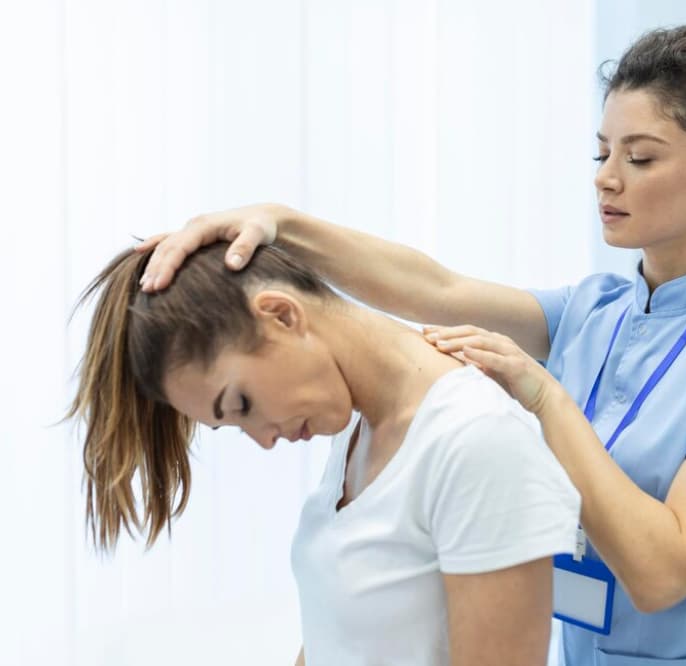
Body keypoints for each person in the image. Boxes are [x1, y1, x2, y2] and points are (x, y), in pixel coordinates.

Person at [138, 23, 686, 665]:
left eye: (640, 157)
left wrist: (542, 398)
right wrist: (276, 224)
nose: (605, 177)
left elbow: (661, 572)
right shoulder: (599, 310)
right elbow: (432, 287)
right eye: (601, 152)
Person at [67, 241, 581, 666]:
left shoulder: (474, 440)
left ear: (281, 315)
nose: (264, 439)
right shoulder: (360, 427)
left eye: (242, 404)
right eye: (232, 426)